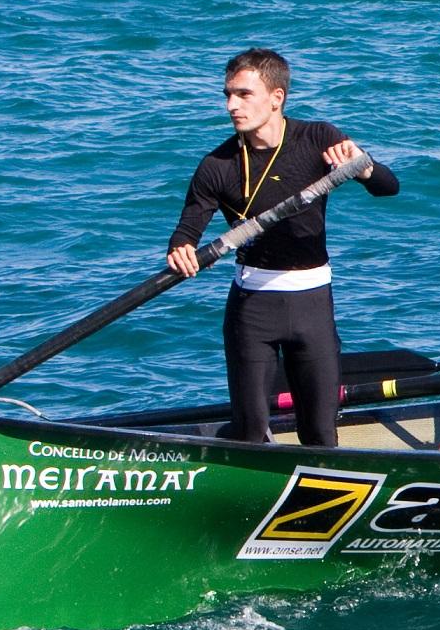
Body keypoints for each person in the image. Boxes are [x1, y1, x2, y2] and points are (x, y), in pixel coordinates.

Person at [164, 47, 399, 445]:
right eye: (227, 95)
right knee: (251, 431)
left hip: (312, 305)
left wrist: (364, 165)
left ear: (277, 98)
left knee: (321, 432)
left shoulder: (318, 139)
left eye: (243, 95)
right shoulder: (217, 165)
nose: (231, 106)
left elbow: (388, 188)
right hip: (252, 309)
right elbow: (188, 228)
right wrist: (180, 249)